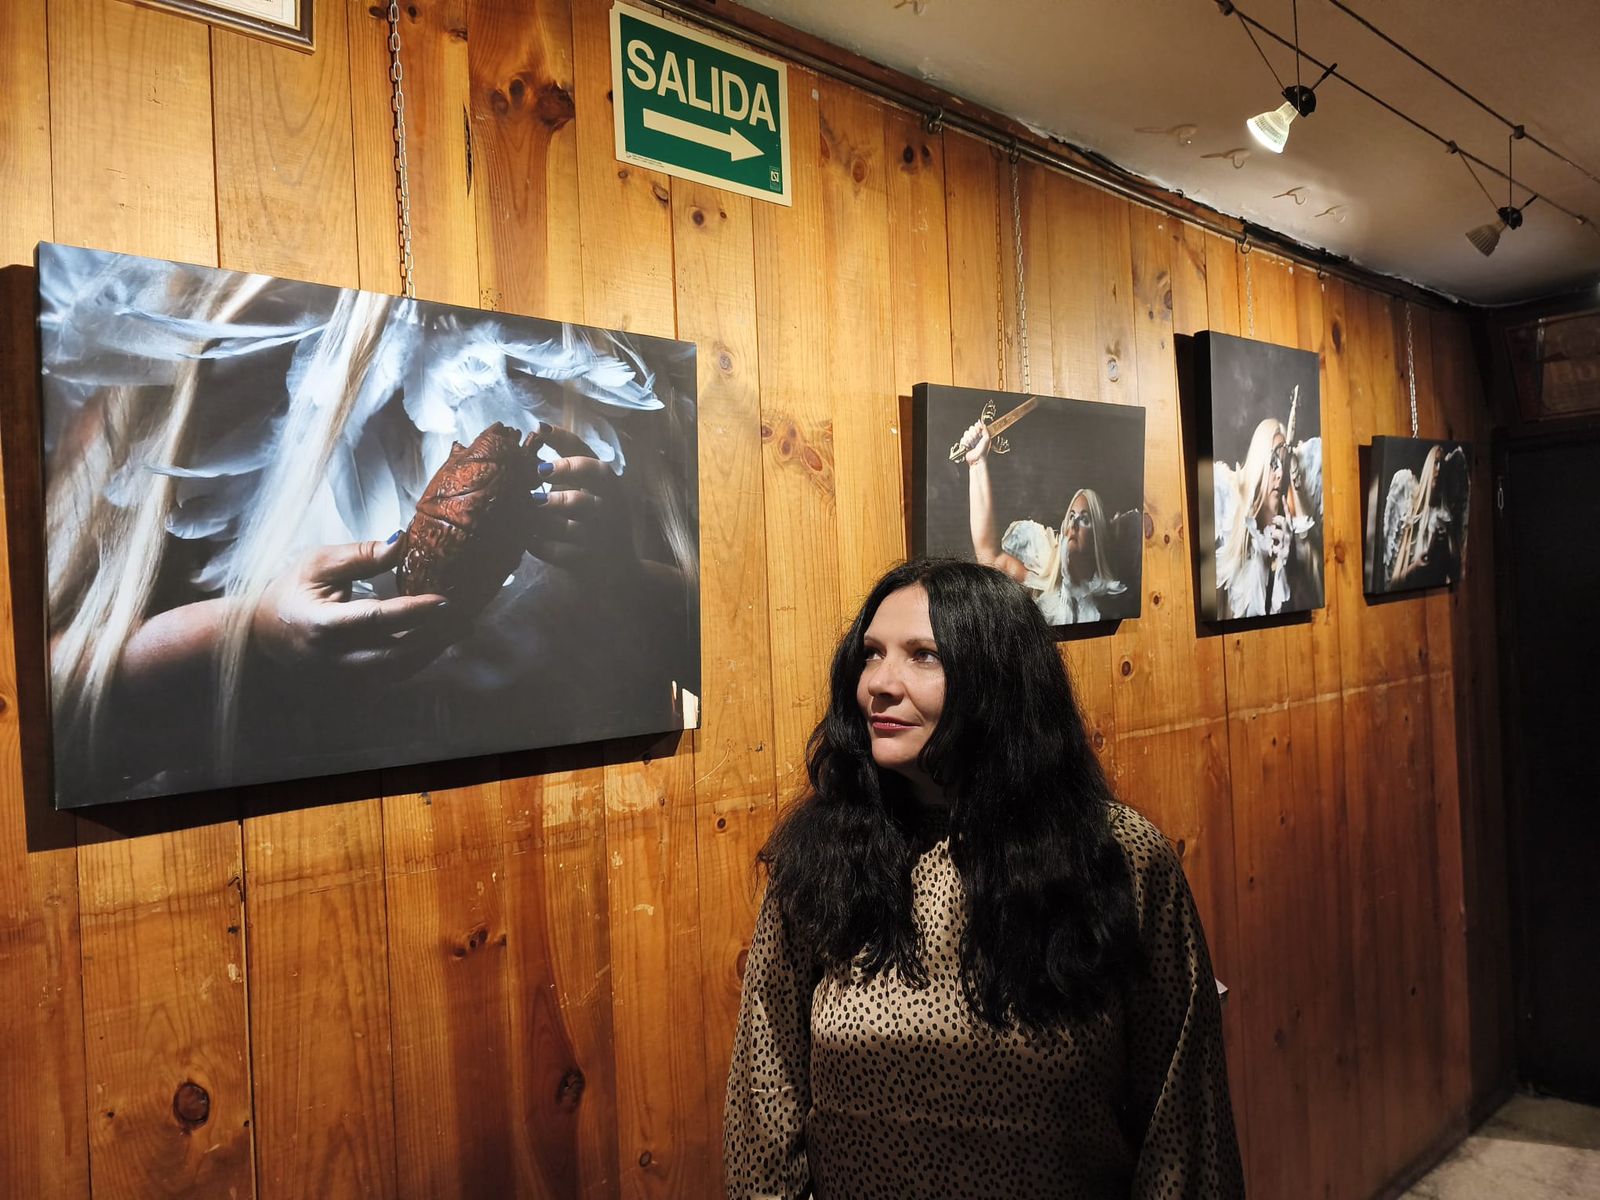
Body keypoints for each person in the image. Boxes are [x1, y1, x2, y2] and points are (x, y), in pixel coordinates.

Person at [39, 244, 697, 804]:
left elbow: (730, 662)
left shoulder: (619, 372)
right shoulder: (177, 361)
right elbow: (33, 709)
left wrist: (624, 586)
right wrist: (245, 639)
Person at [723, 558, 1243, 1199]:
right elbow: (764, 1095)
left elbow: (1182, 1124)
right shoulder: (823, 861)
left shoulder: (1115, 858)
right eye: (872, 655)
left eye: (923, 656)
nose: (880, 684)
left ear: (998, 680)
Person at [961, 419, 1130, 624]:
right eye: (1071, 516)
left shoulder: (1110, 601)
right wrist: (977, 464)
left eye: (1084, 519)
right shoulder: (1040, 578)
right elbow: (988, 555)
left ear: (1098, 538)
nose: (1073, 525)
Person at [1213, 415, 1322, 618]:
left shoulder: (1297, 541)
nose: (1280, 473)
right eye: (1273, 462)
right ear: (1259, 464)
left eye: (1284, 463)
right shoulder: (1228, 518)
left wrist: (1289, 564)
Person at [1382, 443, 1469, 591]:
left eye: (1442, 465)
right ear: (1429, 466)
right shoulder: (1412, 509)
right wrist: (1416, 567)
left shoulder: (1446, 518)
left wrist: (1448, 541)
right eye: (1436, 463)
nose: (1439, 469)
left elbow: (1456, 574)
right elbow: (1393, 583)